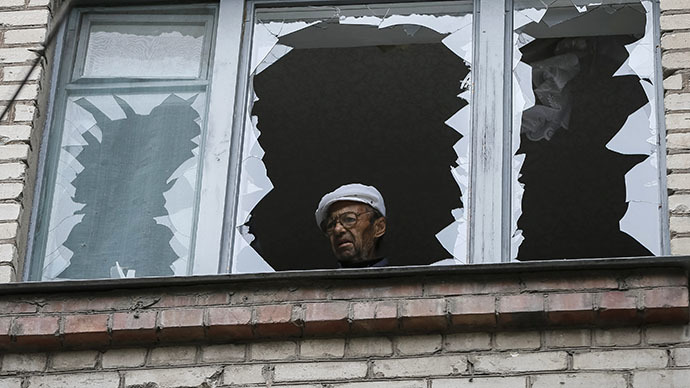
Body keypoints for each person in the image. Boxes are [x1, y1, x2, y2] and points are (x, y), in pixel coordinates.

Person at [315, 183, 388, 268]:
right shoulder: (316, 281)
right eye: (331, 224)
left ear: (379, 227)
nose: (337, 229)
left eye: (349, 219)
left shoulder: (400, 280)